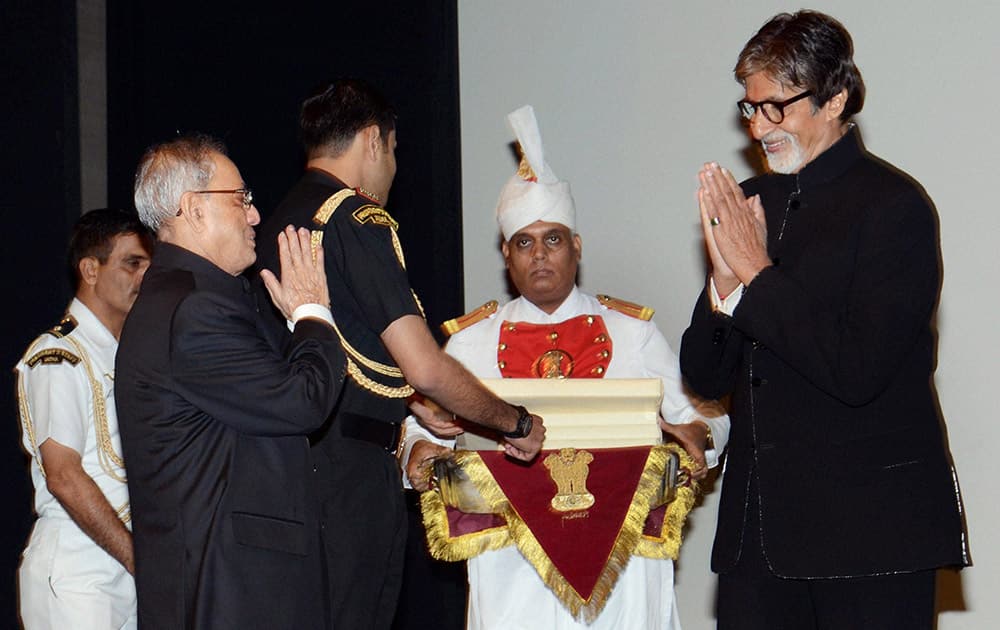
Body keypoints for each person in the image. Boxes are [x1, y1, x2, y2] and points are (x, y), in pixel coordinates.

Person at [679, 11, 969, 629]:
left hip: (872, 540)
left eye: (775, 107)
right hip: (759, 540)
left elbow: (856, 370)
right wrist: (722, 288)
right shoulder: (752, 203)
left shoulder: (895, 207)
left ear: (835, 99)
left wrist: (757, 275)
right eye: (749, 107)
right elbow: (704, 379)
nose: (758, 126)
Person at [401, 105, 730, 630]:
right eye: (524, 243)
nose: (539, 255)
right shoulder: (469, 343)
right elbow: (420, 427)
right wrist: (419, 451)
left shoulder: (633, 332)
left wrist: (699, 436)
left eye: (553, 239)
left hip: (623, 573)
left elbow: (705, 412)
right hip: (513, 571)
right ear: (506, 254)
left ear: (576, 246)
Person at [255, 79, 545, 630]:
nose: (393, 166)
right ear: (372, 140)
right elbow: (425, 365)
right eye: (393, 150)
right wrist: (514, 421)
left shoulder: (281, 220)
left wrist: (414, 403)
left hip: (287, 469)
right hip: (349, 476)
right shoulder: (357, 219)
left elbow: (344, 351)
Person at [116, 135, 347, 630]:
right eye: (241, 199)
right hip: (229, 591)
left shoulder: (195, 297)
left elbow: (263, 399)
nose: (255, 215)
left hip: (232, 584)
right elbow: (304, 400)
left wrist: (297, 324)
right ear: (193, 210)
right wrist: (313, 311)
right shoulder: (195, 307)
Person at [15, 209, 152, 629]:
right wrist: (137, 558)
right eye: (133, 263)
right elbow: (64, 476)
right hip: (78, 568)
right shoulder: (58, 355)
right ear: (90, 269)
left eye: (150, 265)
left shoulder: (128, 354)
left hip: (123, 570)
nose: (146, 276)